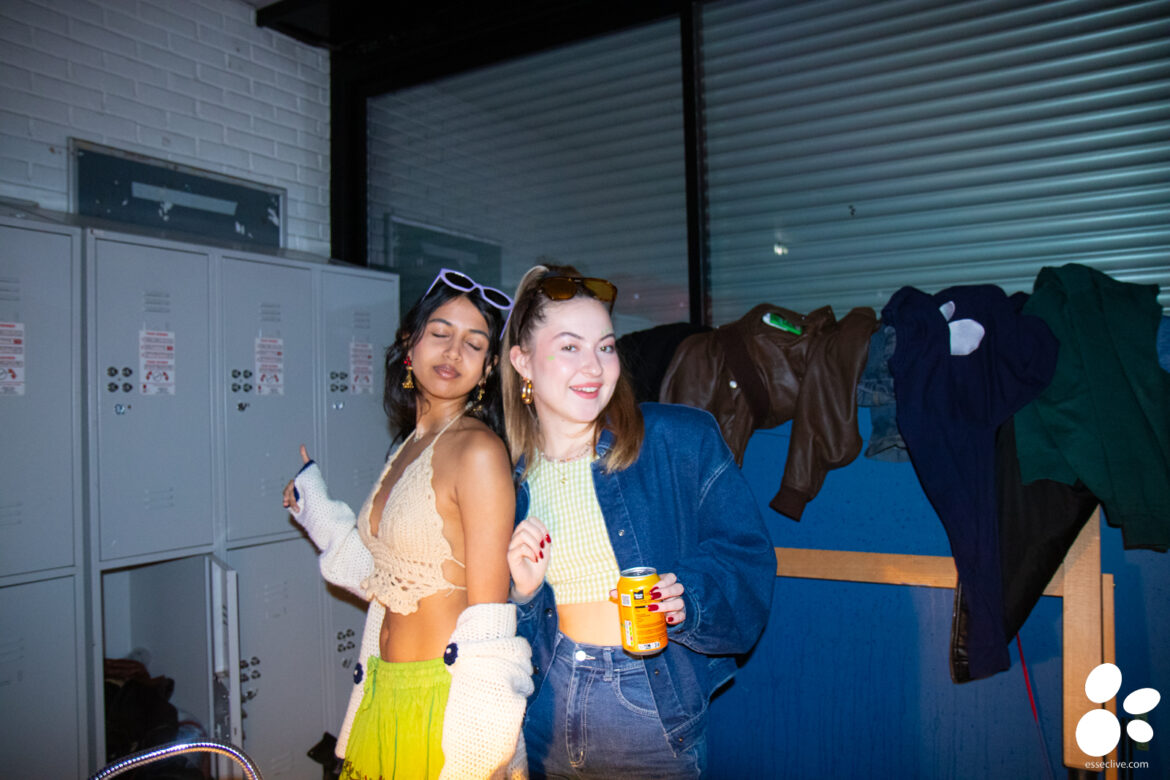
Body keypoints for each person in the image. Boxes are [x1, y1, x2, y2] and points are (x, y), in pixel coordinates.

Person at [502, 264, 775, 778]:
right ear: (523, 362)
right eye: (570, 347)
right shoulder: (505, 479)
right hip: (543, 707)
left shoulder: (679, 438)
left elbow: (748, 557)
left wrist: (688, 599)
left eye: (605, 346)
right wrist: (523, 594)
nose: (594, 367)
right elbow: (499, 629)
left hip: (645, 704)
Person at [282, 268, 532, 780]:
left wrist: (479, 757)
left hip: (445, 701)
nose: (454, 352)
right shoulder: (407, 446)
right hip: (382, 689)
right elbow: (382, 579)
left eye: (474, 343)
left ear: (488, 367)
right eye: (440, 333)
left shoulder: (478, 451)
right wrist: (317, 510)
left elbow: (491, 623)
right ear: (409, 343)